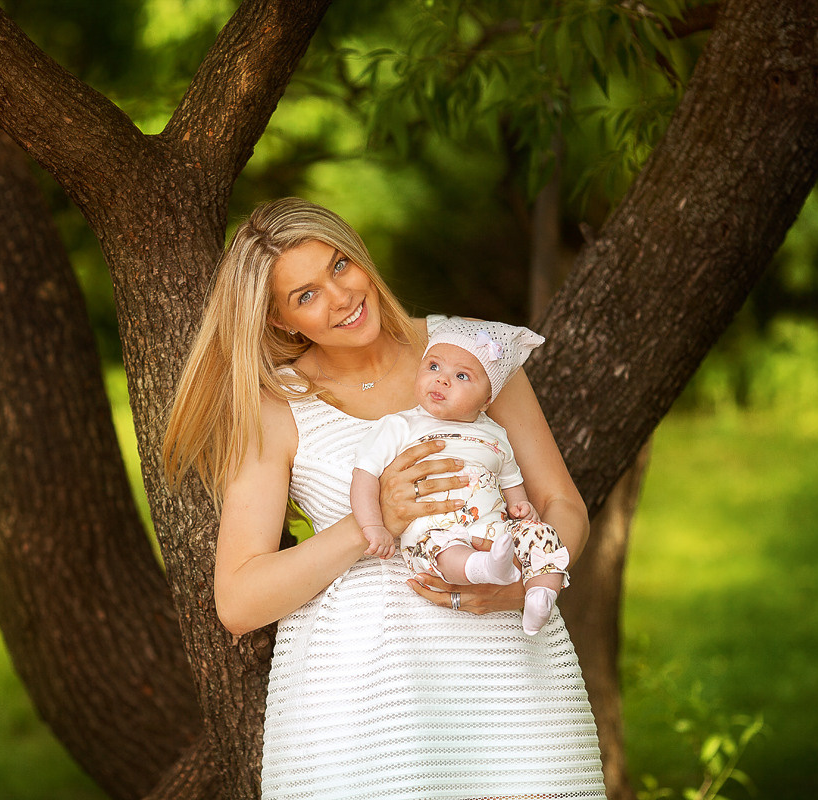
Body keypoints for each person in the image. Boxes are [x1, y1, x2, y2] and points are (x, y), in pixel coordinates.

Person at [163, 197, 605, 799]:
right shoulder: (278, 406)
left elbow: (563, 506)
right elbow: (239, 600)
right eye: (306, 295)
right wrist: (374, 520)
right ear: (280, 323)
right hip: (365, 708)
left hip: (512, 684)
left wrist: (528, 583)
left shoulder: (467, 353)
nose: (341, 297)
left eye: (340, 265)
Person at [350, 317, 571, 636]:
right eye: (434, 367)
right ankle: (484, 567)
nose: (441, 381)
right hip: (435, 530)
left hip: (494, 531)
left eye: (462, 375)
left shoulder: (496, 435)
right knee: (443, 549)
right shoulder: (402, 426)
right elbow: (365, 475)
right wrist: (373, 526)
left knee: (543, 535)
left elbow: (512, 483)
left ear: (487, 400)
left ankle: (540, 595)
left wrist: (522, 510)